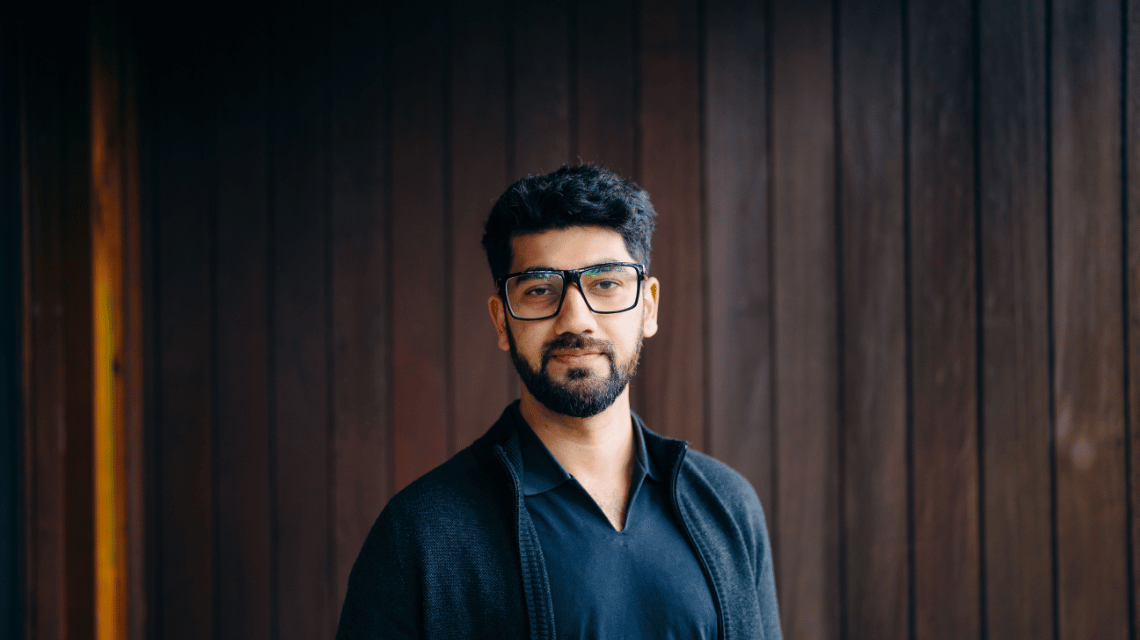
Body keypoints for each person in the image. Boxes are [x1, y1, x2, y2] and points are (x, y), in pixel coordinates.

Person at [335, 165, 782, 640]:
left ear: (648, 307)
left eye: (606, 284)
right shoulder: (419, 536)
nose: (576, 318)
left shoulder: (728, 507)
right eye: (539, 290)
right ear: (501, 321)